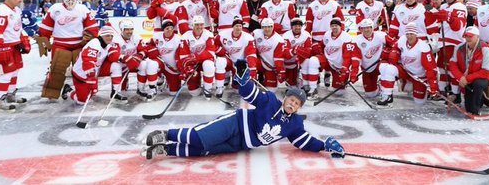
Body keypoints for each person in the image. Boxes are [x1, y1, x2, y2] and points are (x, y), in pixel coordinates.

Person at [142, 60, 345, 160]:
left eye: (297, 104)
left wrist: (325, 146)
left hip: (242, 144)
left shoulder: (295, 124)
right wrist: (244, 80)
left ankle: (166, 149)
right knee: (201, 138)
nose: (292, 104)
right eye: (291, 100)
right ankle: (166, 134)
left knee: (204, 150)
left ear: (299, 108)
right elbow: (250, 94)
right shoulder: (270, 100)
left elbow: (305, 142)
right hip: (235, 124)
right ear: (286, 98)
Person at [38, 0, 98, 99]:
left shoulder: (83, 9)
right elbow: (45, 27)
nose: (70, 1)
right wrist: (44, 40)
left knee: (81, 70)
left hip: (79, 44)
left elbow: (92, 26)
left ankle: (82, 91)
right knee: (57, 70)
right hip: (60, 44)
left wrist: (87, 39)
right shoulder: (55, 8)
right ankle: (51, 93)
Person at [0, 0, 31, 110]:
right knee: (6, 73)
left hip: (13, 45)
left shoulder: (16, 10)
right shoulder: (1, 11)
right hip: (3, 47)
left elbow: (17, 28)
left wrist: (22, 40)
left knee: (15, 71)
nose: (21, 0)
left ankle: (10, 95)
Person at [378, 22, 439, 107]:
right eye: (407, 34)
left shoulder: (423, 47)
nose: (409, 36)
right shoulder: (402, 39)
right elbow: (395, 47)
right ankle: (387, 96)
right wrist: (394, 52)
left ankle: (412, 87)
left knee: (419, 102)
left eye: (411, 34)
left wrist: (433, 85)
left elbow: (431, 68)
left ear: (416, 34)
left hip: (418, 76)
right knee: (388, 68)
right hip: (405, 71)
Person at [304, 18, 360, 98]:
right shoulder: (327, 34)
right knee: (313, 60)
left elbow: (347, 56)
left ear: (340, 27)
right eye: (332, 26)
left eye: (336, 25)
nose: (334, 27)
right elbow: (322, 45)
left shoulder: (346, 37)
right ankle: (313, 89)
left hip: (339, 67)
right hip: (327, 61)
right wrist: (317, 47)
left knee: (339, 92)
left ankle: (341, 81)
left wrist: (345, 69)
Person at [64, 26, 120, 104]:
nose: (110, 38)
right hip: (81, 74)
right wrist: (91, 79)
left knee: (115, 65)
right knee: (82, 101)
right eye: (107, 35)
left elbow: (114, 55)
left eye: (111, 36)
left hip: (93, 72)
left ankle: (116, 92)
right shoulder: (94, 43)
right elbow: (88, 61)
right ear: (101, 36)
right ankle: (68, 91)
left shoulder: (109, 44)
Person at [448, 26, 489, 115]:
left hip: (482, 77)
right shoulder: (459, 48)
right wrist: (460, 77)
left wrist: (467, 78)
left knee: (478, 84)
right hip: (466, 78)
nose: (468, 38)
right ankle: (481, 98)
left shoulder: (486, 50)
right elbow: (452, 64)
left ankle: (476, 112)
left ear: (477, 37)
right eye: (466, 36)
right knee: (468, 106)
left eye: (471, 36)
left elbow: (486, 72)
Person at [433, 0, 467, 102]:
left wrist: (449, 17)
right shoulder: (444, 6)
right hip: (443, 42)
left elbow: (458, 27)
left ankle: (455, 94)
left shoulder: (460, 7)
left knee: (451, 69)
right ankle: (443, 91)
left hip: (453, 42)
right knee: (442, 68)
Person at [214, 17, 258, 95]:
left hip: (240, 64)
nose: (238, 28)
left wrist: (252, 69)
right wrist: (220, 50)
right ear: (233, 26)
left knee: (237, 90)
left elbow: (251, 54)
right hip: (228, 60)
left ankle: (236, 82)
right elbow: (213, 44)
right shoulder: (222, 35)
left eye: (240, 26)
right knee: (220, 61)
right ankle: (219, 87)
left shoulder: (248, 38)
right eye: (236, 26)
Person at [354, 18, 396, 99]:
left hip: (378, 64)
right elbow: (355, 57)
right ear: (361, 29)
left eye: (368, 27)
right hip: (366, 68)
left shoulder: (381, 35)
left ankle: (386, 90)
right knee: (370, 94)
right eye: (364, 28)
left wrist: (388, 52)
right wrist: (354, 72)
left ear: (372, 28)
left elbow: (394, 45)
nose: (366, 30)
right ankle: (378, 86)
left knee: (385, 69)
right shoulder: (357, 40)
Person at [178, 15, 217, 98]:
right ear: (193, 25)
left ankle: (208, 88)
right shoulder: (186, 36)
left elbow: (210, 53)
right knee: (194, 93)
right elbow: (183, 56)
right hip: (192, 62)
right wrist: (187, 68)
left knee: (209, 65)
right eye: (197, 25)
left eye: (201, 24)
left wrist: (195, 57)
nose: (199, 27)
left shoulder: (209, 34)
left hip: (204, 60)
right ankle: (196, 83)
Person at [145, 18, 182, 97]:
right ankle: (153, 88)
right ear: (163, 29)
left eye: (171, 28)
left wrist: (180, 67)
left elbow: (180, 55)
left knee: (173, 92)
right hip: (160, 64)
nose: (169, 30)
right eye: (167, 28)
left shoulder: (178, 39)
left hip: (172, 68)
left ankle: (169, 82)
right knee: (152, 64)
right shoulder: (157, 36)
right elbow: (148, 45)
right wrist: (152, 50)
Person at [253, 18, 287, 92]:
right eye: (265, 27)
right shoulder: (256, 33)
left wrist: (279, 71)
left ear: (273, 27)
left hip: (271, 67)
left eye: (269, 27)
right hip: (259, 62)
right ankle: (251, 84)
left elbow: (278, 58)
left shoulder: (278, 40)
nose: (267, 29)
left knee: (271, 90)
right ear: (262, 27)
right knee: (249, 62)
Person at [282, 17, 313, 88]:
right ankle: (291, 84)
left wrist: (300, 53)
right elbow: (285, 53)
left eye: (299, 26)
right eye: (295, 26)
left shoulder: (306, 34)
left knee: (309, 62)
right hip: (290, 60)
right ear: (291, 27)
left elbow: (309, 50)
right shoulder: (286, 35)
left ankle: (306, 83)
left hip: (302, 59)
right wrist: (294, 51)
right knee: (291, 83)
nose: (297, 28)